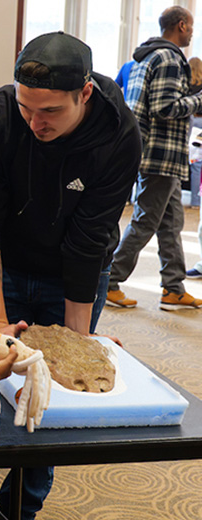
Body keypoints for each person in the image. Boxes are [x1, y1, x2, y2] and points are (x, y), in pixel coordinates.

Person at [0, 32, 140, 519]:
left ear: (84, 93)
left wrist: (78, 342)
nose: (35, 122)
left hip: (74, 272)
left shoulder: (118, 131)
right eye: (27, 108)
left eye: (50, 112)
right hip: (7, 265)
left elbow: (87, 243)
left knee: (54, 400)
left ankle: (23, 507)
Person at [106, 6, 202, 311]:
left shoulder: (148, 56)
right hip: (160, 156)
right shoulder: (171, 58)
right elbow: (164, 107)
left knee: (171, 223)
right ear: (182, 25)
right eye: (192, 27)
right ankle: (109, 281)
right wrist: (200, 99)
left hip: (158, 156)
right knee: (145, 221)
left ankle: (173, 287)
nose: (192, 33)